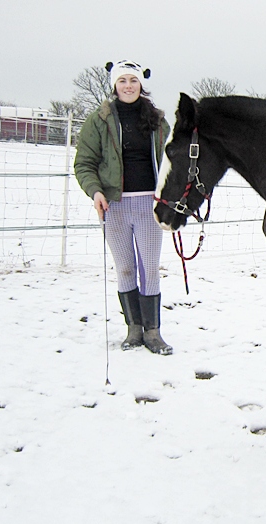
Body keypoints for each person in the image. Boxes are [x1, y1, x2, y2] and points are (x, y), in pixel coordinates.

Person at [75, 60, 173, 355]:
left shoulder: (158, 121)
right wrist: (95, 192)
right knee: (125, 267)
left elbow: (172, 162)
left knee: (150, 268)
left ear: (141, 84)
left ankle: (153, 332)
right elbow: (84, 163)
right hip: (114, 206)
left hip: (149, 205)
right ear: (114, 85)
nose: (128, 86)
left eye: (133, 80)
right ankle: (133, 329)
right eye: (122, 81)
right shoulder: (99, 120)